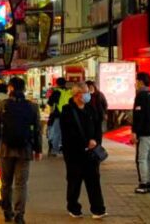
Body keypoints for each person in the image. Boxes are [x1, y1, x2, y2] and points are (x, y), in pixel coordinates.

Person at [0, 76, 42, 224]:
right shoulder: (32, 107)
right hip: (25, 149)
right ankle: (19, 215)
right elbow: (37, 130)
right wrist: (38, 149)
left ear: (11, 88)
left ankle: (7, 212)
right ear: (24, 89)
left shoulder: (1, 105)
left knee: (6, 183)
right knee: (21, 184)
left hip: (5, 149)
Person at [60, 82, 107, 219]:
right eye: (85, 92)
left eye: (88, 92)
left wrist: (96, 141)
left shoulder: (91, 109)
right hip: (74, 153)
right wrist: (85, 142)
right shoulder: (67, 111)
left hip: (91, 153)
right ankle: (73, 207)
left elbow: (98, 128)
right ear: (77, 95)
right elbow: (68, 134)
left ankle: (98, 209)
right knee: (74, 181)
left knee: (94, 180)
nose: (88, 95)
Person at [131, 71, 150, 194]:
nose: (135, 83)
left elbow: (139, 116)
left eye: (137, 81)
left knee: (142, 159)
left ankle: (143, 184)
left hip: (144, 133)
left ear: (141, 82)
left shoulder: (140, 96)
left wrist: (134, 132)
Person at [47, 77, 68, 156]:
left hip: (57, 115)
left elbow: (50, 104)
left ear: (57, 84)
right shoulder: (69, 92)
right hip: (68, 116)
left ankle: (54, 150)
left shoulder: (56, 92)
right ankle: (64, 149)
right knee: (65, 133)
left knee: (56, 133)